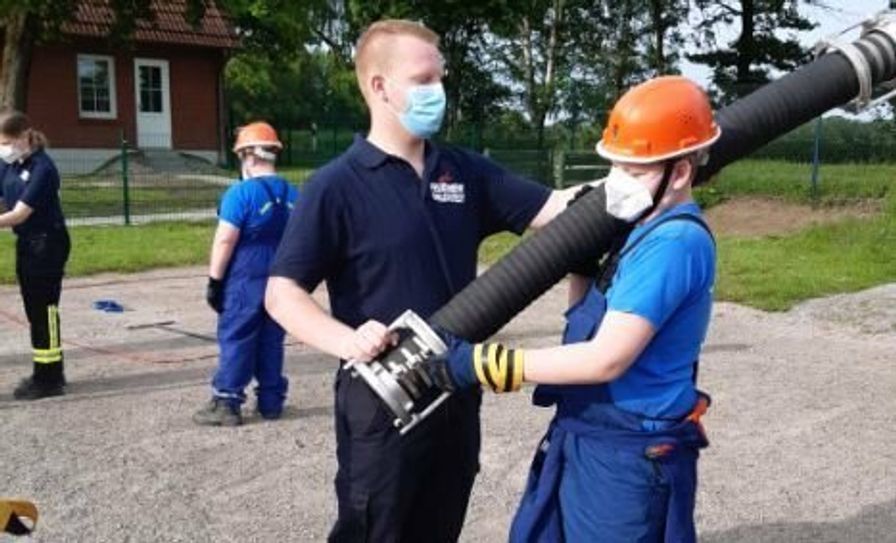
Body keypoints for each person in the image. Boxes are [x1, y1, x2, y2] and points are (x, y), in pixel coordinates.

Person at [265, 19, 577, 543]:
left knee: (440, 524)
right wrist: (347, 340)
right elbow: (282, 293)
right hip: (381, 398)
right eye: (423, 79)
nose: (438, 91)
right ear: (380, 87)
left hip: (455, 390)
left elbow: (558, 209)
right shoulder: (336, 186)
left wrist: (642, 167)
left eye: (440, 78)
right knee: (374, 529)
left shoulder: (465, 172)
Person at [427, 76, 719, 542]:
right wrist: (583, 267)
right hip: (589, 434)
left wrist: (483, 364)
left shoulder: (674, 241)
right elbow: (583, 326)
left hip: (630, 453)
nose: (618, 183)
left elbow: (606, 357)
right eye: (616, 167)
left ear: (680, 173)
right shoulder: (640, 227)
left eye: (635, 171)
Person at [193, 121, 299, 427]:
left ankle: (227, 401)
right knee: (271, 340)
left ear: (249, 156)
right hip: (280, 279)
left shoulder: (239, 194)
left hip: (244, 280)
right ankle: (271, 401)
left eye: (241, 157)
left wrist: (214, 280)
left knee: (237, 337)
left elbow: (225, 239)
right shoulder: (293, 193)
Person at [0, 110, 70, 401]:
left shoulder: (44, 168)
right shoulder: (9, 166)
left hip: (48, 244)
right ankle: (43, 370)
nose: (3, 148)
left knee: (45, 311)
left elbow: (19, 213)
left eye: (6, 142)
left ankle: (51, 378)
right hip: (27, 243)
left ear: (24, 136)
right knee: (33, 311)